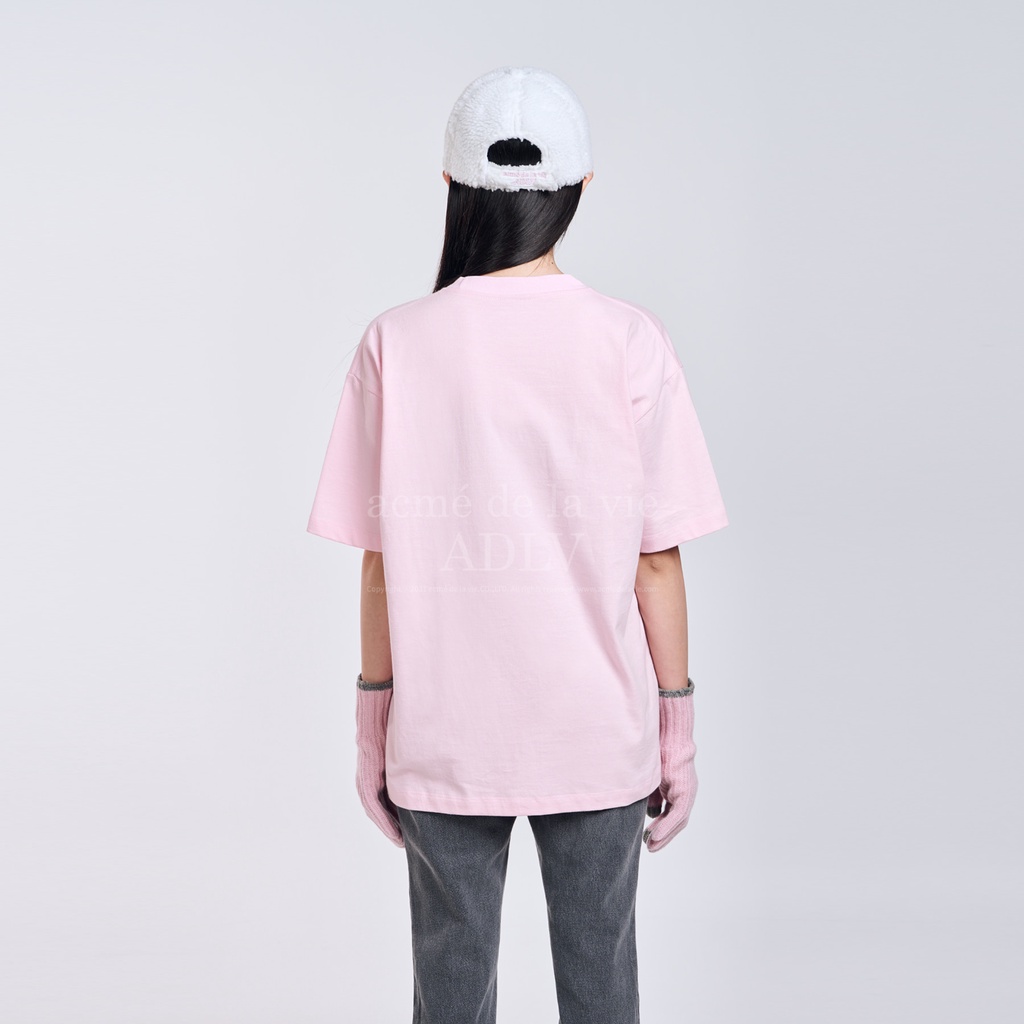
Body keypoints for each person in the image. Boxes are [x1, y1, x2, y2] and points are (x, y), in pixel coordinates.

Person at [306, 65, 729, 1024]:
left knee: (449, 994)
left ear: (451, 185)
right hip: (598, 728)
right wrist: (678, 732)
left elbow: (380, 562)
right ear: (580, 187)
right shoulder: (630, 340)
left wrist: (373, 728)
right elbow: (656, 559)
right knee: (602, 986)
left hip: (442, 729)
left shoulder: (394, 342)